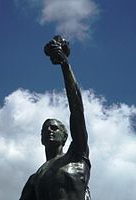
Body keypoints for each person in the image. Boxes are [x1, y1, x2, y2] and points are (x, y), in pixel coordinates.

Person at [19, 36, 91, 200]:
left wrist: (65, 65)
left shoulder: (77, 156)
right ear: (41, 138)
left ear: (65, 136)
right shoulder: (35, 179)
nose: (49, 131)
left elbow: (77, 109)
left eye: (54, 128)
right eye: (45, 129)